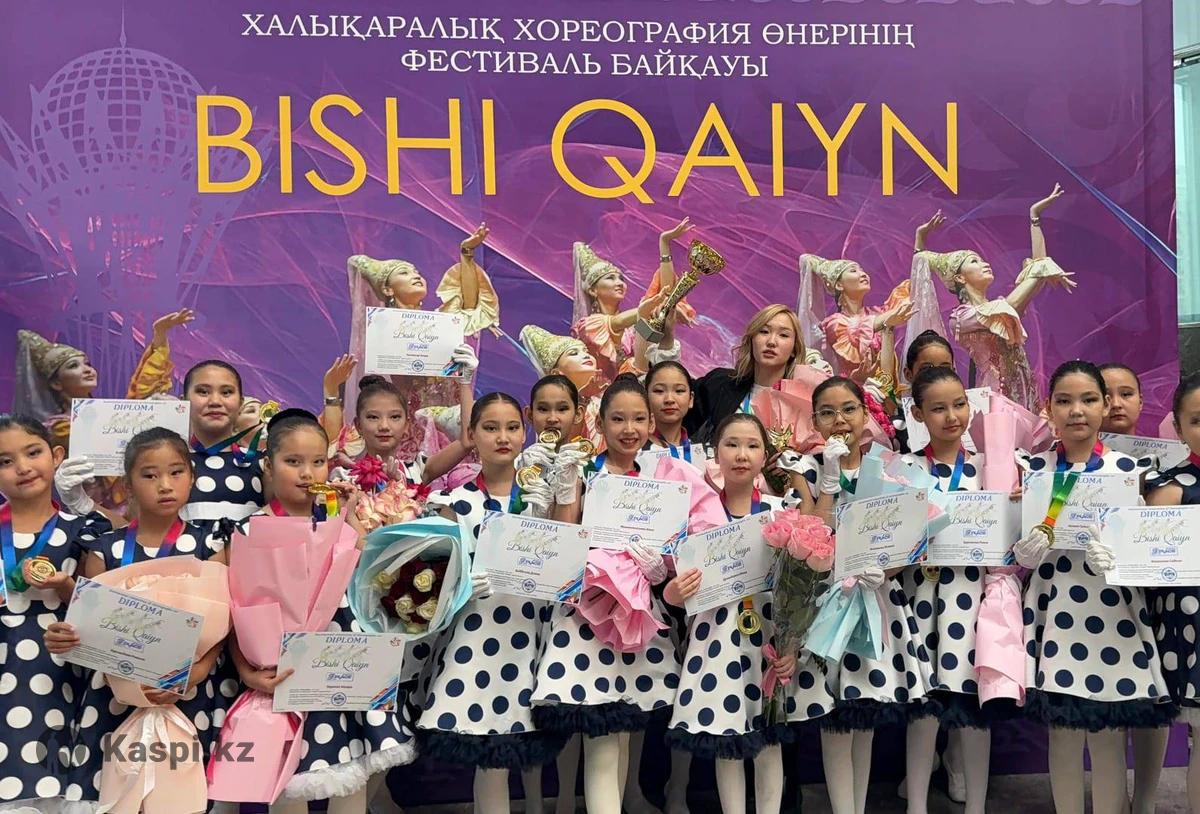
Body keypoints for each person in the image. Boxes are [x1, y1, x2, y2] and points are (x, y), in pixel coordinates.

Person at [532, 376, 720, 814]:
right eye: (618, 419)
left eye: (638, 419)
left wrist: (663, 571)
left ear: (651, 423)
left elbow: (700, 539)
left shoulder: (667, 477)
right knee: (602, 741)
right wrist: (566, 495)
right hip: (587, 619)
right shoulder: (583, 472)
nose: (629, 429)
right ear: (599, 424)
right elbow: (561, 542)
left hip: (640, 620)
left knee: (619, 735)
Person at [1012, 360, 1170, 814]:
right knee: (1062, 736)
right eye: (1064, 401)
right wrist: (1024, 550)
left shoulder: (1129, 470)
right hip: (1054, 608)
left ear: (1104, 405)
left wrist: (1123, 559)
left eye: (1088, 399)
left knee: (1107, 737)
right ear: (1049, 408)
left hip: (1112, 614)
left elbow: (1150, 549)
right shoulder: (1034, 470)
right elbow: (1009, 549)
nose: (1077, 411)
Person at [45, 427, 233, 808]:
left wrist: (196, 672)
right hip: (115, 697)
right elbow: (90, 627)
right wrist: (67, 637)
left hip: (187, 694)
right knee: (116, 796)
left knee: (181, 796)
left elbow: (222, 622)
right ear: (128, 485)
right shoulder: (105, 548)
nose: (165, 485)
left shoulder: (209, 543)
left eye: (176, 472)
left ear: (192, 476)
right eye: (149, 475)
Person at [240, 409, 414, 814]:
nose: (307, 472)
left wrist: (349, 517)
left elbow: (367, 575)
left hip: (342, 666)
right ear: (268, 466)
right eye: (293, 461)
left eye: (318, 461)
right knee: (288, 785)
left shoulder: (336, 522)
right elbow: (240, 613)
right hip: (282, 676)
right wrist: (248, 672)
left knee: (350, 777)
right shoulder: (250, 529)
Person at [664, 412, 832, 814]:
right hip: (717, 642)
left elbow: (804, 588)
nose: (741, 454)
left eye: (752, 445)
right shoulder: (695, 518)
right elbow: (674, 590)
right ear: (715, 454)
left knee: (770, 741)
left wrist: (792, 644)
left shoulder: (781, 512)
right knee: (728, 742)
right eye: (732, 444)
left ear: (765, 455)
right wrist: (673, 592)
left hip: (770, 641)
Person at [418, 393, 564, 814]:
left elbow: (567, 564)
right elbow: (435, 580)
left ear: (525, 432)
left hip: (532, 635)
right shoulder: (453, 504)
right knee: (490, 755)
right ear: (472, 435)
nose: (503, 437)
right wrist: (461, 584)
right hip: (478, 640)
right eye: (490, 428)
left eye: (512, 427)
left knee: (513, 749)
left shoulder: (543, 497)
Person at [800, 376, 935, 814]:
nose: (839, 420)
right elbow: (810, 538)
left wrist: (887, 569)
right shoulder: (805, 470)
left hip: (878, 599)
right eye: (827, 412)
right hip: (827, 603)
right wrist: (828, 482)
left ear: (865, 414)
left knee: (864, 716)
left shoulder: (892, 468)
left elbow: (909, 537)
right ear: (815, 421)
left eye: (848, 409)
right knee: (835, 723)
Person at [898, 367, 1000, 814]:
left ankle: (977, 805)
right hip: (918, 600)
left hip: (973, 601)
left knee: (975, 708)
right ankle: (916, 805)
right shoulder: (904, 469)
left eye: (959, 404)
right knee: (923, 711)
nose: (952, 416)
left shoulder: (990, 468)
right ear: (918, 414)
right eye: (938, 408)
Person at [0, 414, 110, 810]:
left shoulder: (86, 527)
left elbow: (105, 605)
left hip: (64, 663)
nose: (23, 467)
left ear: (57, 456)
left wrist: (65, 586)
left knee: (59, 771)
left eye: (33, 453)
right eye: (5, 461)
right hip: (6, 662)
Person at [341, 224, 499, 477]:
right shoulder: (382, 331)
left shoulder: (442, 325)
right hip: (409, 432)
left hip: (453, 428)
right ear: (388, 289)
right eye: (404, 273)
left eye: (417, 272)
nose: (416, 275)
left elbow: (470, 306)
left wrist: (467, 254)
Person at [912, 186, 1076, 412]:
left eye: (982, 260)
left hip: (1024, 390)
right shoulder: (962, 318)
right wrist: (1042, 269)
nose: (985, 263)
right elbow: (1017, 297)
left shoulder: (1000, 309)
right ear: (959, 278)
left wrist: (1034, 218)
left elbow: (1037, 270)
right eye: (974, 261)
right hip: (995, 397)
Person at [25, 310, 194, 521]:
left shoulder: (108, 415)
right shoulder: (56, 429)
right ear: (56, 382)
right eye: (73, 366)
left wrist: (159, 335)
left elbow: (141, 395)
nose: (87, 370)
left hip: (139, 506)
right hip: (94, 513)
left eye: (87, 363)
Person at [1128, 373, 1200, 813]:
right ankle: (1145, 802)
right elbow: (1147, 565)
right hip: (1187, 624)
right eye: (1197, 420)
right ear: (1178, 426)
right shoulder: (1170, 488)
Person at [570, 219, 693, 386]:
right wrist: (662, 305)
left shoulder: (632, 329)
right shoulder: (589, 325)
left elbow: (665, 292)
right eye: (610, 278)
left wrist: (664, 244)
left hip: (638, 389)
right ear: (592, 290)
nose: (619, 283)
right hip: (606, 397)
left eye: (621, 279)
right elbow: (629, 317)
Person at [686, 304, 832, 444]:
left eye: (783, 335)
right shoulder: (718, 384)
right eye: (764, 331)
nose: (771, 342)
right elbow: (679, 415)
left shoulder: (805, 400)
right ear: (752, 340)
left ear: (794, 349)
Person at [321, 368, 477, 490]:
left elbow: (467, 441)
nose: (384, 426)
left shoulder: (417, 470)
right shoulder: (343, 476)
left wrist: (464, 381)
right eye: (373, 417)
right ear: (358, 425)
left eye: (394, 417)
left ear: (406, 425)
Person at [797, 254, 914, 392]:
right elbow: (856, 336)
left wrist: (919, 255)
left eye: (862, 270)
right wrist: (886, 320)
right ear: (839, 285)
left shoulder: (877, 312)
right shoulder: (834, 323)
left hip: (886, 392)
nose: (863, 274)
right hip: (852, 393)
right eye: (853, 271)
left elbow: (905, 302)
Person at [177, 360, 267, 522]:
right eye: (203, 392)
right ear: (184, 402)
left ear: (240, 403)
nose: (215, 402)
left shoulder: (264, 464)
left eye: (226, 392)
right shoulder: (168, 465)